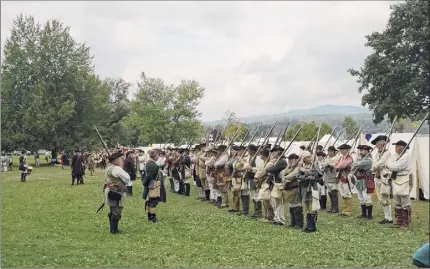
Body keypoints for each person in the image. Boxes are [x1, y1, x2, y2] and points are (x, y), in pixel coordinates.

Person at [385, 140, 413, 228]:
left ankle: (405, 222)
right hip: (396, 178)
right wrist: (391, 165)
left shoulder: (406, 156)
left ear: (401, 148)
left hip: (404, 178)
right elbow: (388, 163)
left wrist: (391, 165)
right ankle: (399, 221)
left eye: (397, 146)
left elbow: (397, 167)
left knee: (404, 200)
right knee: (397, 200)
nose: (395, 148)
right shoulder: (395, 156)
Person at [103, 151, 131, 234]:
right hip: (117, 191)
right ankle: (114, 230)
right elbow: (127, 178)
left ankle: (113, 229)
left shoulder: (109, 167)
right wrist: (121, 167)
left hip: (110, 190)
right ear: (116, 160)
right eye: (120, 159)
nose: (121, 160)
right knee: (117, 210)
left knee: (112, 209)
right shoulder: (117, 168)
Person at [296, 151, 321, 232]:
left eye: (310, 156)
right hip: (304, 187)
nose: (310, 158)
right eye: (308, 157)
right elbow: (298, 176)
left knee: (312, 207)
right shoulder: (301, 166)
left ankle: (312, 227)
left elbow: (317, 175)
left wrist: (306, 173)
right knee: (306, 208)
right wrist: (305, 176)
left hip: (312, 188)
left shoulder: (314, 165)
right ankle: (308, 226)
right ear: (304, 159)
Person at [371, 135, 393, 224]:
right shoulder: (377, 154)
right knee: (381, 199)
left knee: (385, 197)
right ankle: (386, 217)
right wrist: (375, 166)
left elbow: (380, 164)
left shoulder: (387, 153)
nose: (376, 145)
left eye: (377, 143)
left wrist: (375, 166)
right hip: (377, 177)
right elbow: (374, 164)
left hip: (384, 178)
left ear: (382, 143)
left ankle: (389, 218)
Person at [266, 145, 288, 225]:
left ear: (279, 152)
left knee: (279, 202)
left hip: (280, 183)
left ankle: (281, 219)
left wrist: (269, 166)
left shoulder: (282, 161)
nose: (273, 153)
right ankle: (277, 218)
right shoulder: (278, 160)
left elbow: (271, 169)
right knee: (276, 202)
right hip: (276, 182)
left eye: (274, 152)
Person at [142, 150, 166, 223]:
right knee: (153, 201)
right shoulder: (152, 164)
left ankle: (150, 217)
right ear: (154, 156)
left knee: (150, 201)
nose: (158, 157)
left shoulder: (149, 163)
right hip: (153, 184)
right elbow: (149, 176)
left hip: (151, 184)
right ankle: (153, 218)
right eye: (157, 155)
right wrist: (146, 183)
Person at [352, 145, 374, 219]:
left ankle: (369, 215)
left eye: (362, 150)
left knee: (367, 197)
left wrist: (357, 164)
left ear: (367, 151)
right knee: (361, 197)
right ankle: (363, 214)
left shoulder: (369, 160)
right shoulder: (359, 158)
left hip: (366, 180)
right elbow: (353, 165)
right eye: (360, 150)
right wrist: (356, 164)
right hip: (359, 179)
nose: (360, 152)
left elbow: (358, 165)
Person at [282, 153, 303, 228]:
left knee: (297, 206)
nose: (292, 161)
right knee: (291, 206)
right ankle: (293, 222)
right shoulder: (289, 167)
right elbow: (283, 174)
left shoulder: (298, 167)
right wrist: (289, 167)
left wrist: (285, 178)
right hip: (288, 189)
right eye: (291, 160)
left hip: (295, 188)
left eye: (294, 159)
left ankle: (299, 223)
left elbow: (293, 175)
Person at [335, 144, 354, 216]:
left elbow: (342, 165)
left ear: (347, 150)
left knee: (347, 194)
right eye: (341, 149)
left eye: (343, 149)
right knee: (343, 194)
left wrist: (339, 165)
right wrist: (338, 165)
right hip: (340, 177)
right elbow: (336, 165)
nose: (342, 151)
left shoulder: (349, 158)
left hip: (347, 178)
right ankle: (345, 209)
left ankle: (349, 211)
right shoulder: (341, 158)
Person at [321, 146, 341, 213]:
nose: (329, 153)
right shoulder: (327, 158)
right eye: (329, 151)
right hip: (327, 177)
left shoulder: (338, 157)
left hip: (334, 177)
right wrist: (325, 165)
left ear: (334, 151)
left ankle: (336, 208)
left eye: (331, 151)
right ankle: (332, 207)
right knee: (330, 193)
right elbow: (323, 166)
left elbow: (335, 165)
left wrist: (329, 164)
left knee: (334, 193)